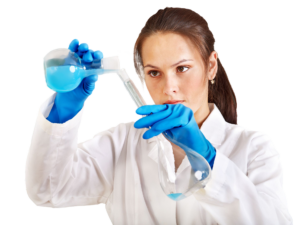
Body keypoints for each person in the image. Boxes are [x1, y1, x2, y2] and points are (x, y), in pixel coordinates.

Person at [25, 6, 293, 225]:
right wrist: (64, 111)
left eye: (183, 68)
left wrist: (208, 159)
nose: (169, 87)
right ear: (140, 78)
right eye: (154, 73)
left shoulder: (253, 148)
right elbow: (48, 190)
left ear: (211, 66)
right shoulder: (121, 143)